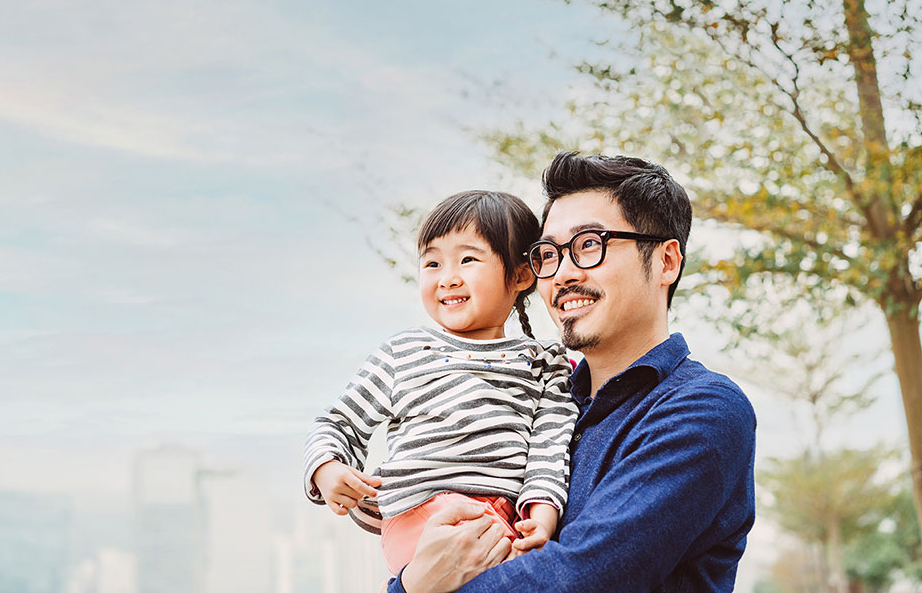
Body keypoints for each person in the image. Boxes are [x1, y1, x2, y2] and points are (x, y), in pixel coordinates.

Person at [388, 151, 756, 593]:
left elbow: (581, 577)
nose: (561, 273)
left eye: (588, 245)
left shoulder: (702, 409)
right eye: (548, 254)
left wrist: (410, 589)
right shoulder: (535, 402)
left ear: (666, 261)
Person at [302, 190, 578, 575]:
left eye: (467, 259)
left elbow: (551, 447)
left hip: (503, 519)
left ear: (520, 274)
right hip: (417, 514)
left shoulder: (544, 363)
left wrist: (543, 515)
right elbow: (338, 423)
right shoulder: (403, 352)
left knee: (530, 571)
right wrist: (327, 468)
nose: (447, 278)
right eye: (432, 263)